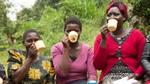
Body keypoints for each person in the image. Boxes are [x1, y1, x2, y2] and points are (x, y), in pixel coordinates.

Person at [93, 1, 146, 84]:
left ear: (124, 17)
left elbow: (145, 60)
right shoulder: (100, 38)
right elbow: (98, 66)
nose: (111, 17)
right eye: (109, 15)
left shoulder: (137, 35)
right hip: (109, 79)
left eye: (116, 14)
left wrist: (138, 73)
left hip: (132, 78)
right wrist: (103, 40)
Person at [51, 16, 97, 84]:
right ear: (64, 32)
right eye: (69, 31)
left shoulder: (88, 50)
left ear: (80, 32)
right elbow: (63, 73)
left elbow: (92, 75)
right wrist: (65, 49)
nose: (72, 33)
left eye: (76, 31)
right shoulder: (57, 48)